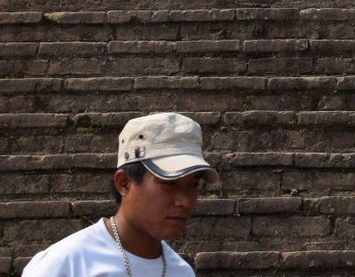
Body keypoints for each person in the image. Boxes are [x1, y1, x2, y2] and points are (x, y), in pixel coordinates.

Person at [22, 112, 219, 277]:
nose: (184, 201)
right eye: (169, 183)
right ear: (124, 183)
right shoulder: (65, 265)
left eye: (192, 185)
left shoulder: (181, 272)